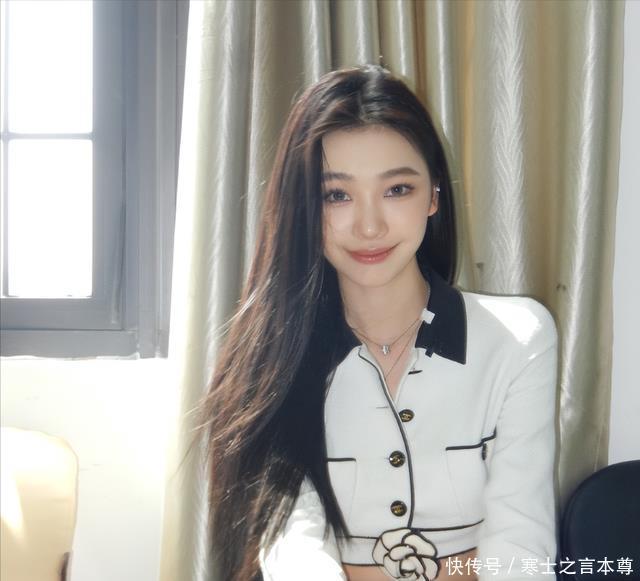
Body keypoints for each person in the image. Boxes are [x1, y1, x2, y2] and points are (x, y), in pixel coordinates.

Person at [199, 65, 558, 581]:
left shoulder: (518, 339)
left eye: (397, 189)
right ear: (303, 207)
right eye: (336, 195)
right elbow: (295, 550)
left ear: (433, 195)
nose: (369, 226)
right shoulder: (274, 355)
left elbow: (522, 547)